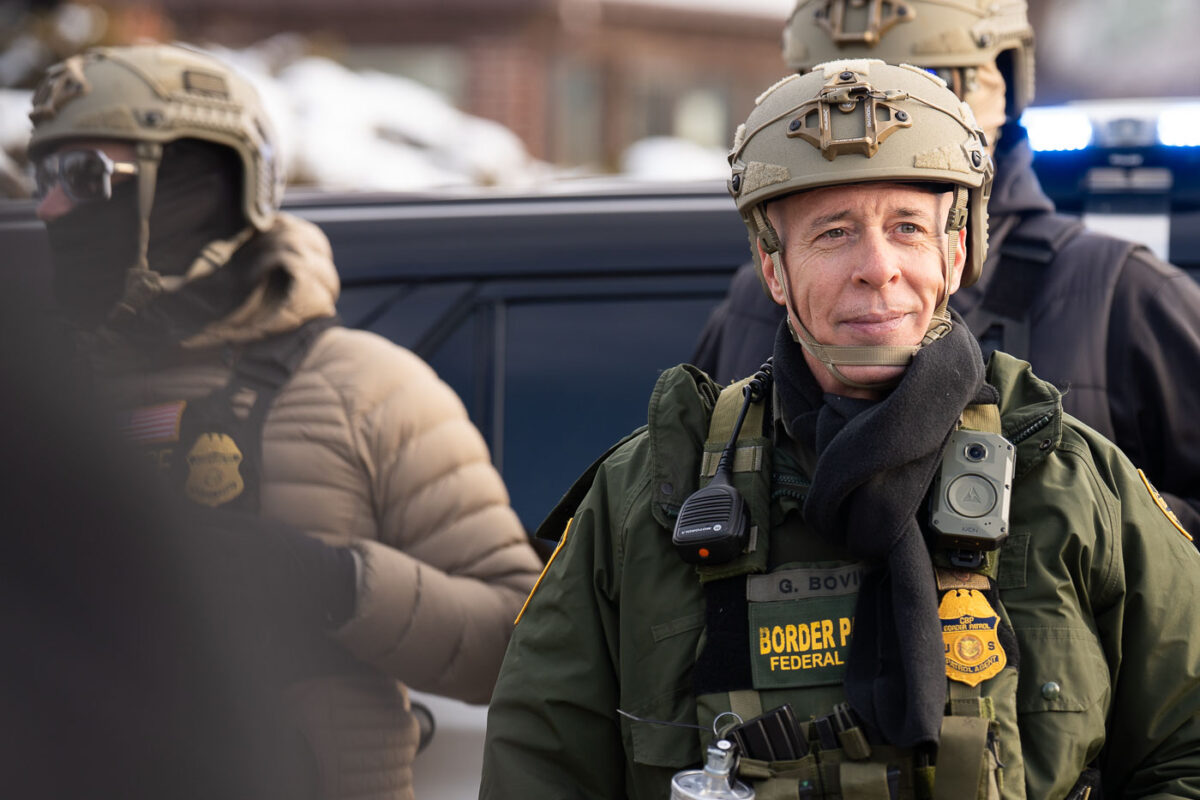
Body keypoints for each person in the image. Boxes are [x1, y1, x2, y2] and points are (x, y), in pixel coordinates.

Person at [481, 61, 1200, 800]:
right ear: (773, 268)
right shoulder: (644, 503)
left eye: (907, 229)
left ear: (952, 255)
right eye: (834, 233)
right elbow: (538, 768)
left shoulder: (1070, 480)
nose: (878, 268)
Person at [27, 43, 542, 800]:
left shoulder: (364, 389)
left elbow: (524, 645)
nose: (48, 209)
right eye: (46, 178)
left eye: (84, 178)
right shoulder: (42, 406)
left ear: (200, 183)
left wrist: (335, 584)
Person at [690, 0, 1200, 535]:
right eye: (828, 86)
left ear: (999, 84)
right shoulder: (757, 303)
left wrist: (1080, 524)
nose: (869, 108)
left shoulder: (1115, 293)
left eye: (923, 78)